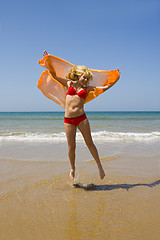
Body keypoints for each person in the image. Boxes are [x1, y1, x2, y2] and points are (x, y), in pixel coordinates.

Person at [43, 50, 118, 180]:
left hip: (82, 118)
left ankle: (100, 167)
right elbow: (54, 76)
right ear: (78, 76)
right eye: (84, 77)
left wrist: (115, 79)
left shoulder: (87, 89)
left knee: (90, 143)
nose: (86, 79)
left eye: (87, 78)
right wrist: (48, 61)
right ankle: (72, 169)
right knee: (71, 147)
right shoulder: (69, 83)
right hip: (68, 120)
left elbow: (104, 88)